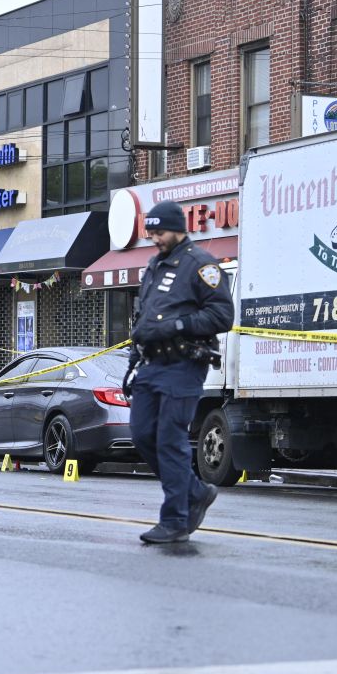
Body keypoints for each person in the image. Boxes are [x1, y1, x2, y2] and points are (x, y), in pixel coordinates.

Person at [125, 200, 234, 544]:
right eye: (151, 232)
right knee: (142, 434)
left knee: (169, 439)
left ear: (177, 229)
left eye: (159, 232)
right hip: (150, 365)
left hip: (183, 365)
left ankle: (174, 519)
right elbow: (144, 318)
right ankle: (196, 492)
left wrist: (178, 325)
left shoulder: (201, 264)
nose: (154, 238)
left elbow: (222, 316)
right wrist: (133, 356)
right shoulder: (154, 266)